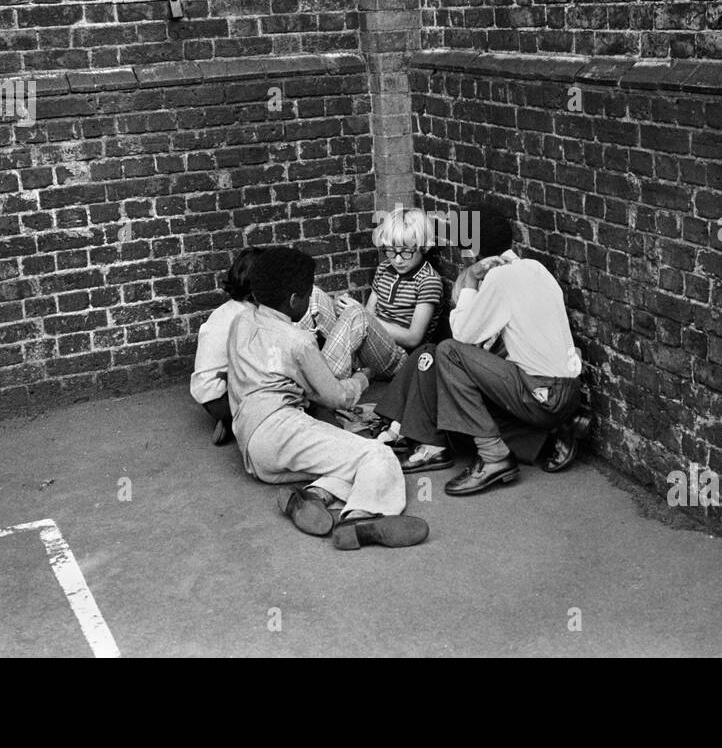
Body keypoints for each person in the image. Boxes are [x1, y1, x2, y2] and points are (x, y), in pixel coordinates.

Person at [375, 200, 584, 496]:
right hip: (564, 393)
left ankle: (494, 457)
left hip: (541, 393)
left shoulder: (498, 278)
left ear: (471, 250)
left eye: (461, 247)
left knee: (447, 353)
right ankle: (548, 433)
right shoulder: (535, 268)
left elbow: (462, 337)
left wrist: (471, 279)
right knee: (464, 415)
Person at [226, 246, 429, 550]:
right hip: (282, 431)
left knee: (347, 460)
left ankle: (311, 498)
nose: (310, 301)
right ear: (294, 301)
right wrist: (364, 377)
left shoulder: (240, 322)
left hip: (251, 447)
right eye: (308, 296)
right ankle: (362, 520)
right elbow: (337, 398)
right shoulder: (298, 341)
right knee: (377, 455)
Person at [302, 206, 443, 381]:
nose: (397, 259)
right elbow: (368, 314)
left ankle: (322, 384)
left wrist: (360, 313)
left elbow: (413, 338)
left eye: (406, 252)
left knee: (357, 315)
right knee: (313, 295)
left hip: (398, 358)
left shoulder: (428, 281)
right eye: (391, 251)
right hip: (369, 349)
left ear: (423, 247)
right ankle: (296, 367)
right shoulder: (384, 269)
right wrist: (345, 309)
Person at [189, 248, 261, 445]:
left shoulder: (226, 310)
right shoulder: (247, 318)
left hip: (207, 396)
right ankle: (238, 420)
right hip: (222, 397)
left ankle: (227, 420)